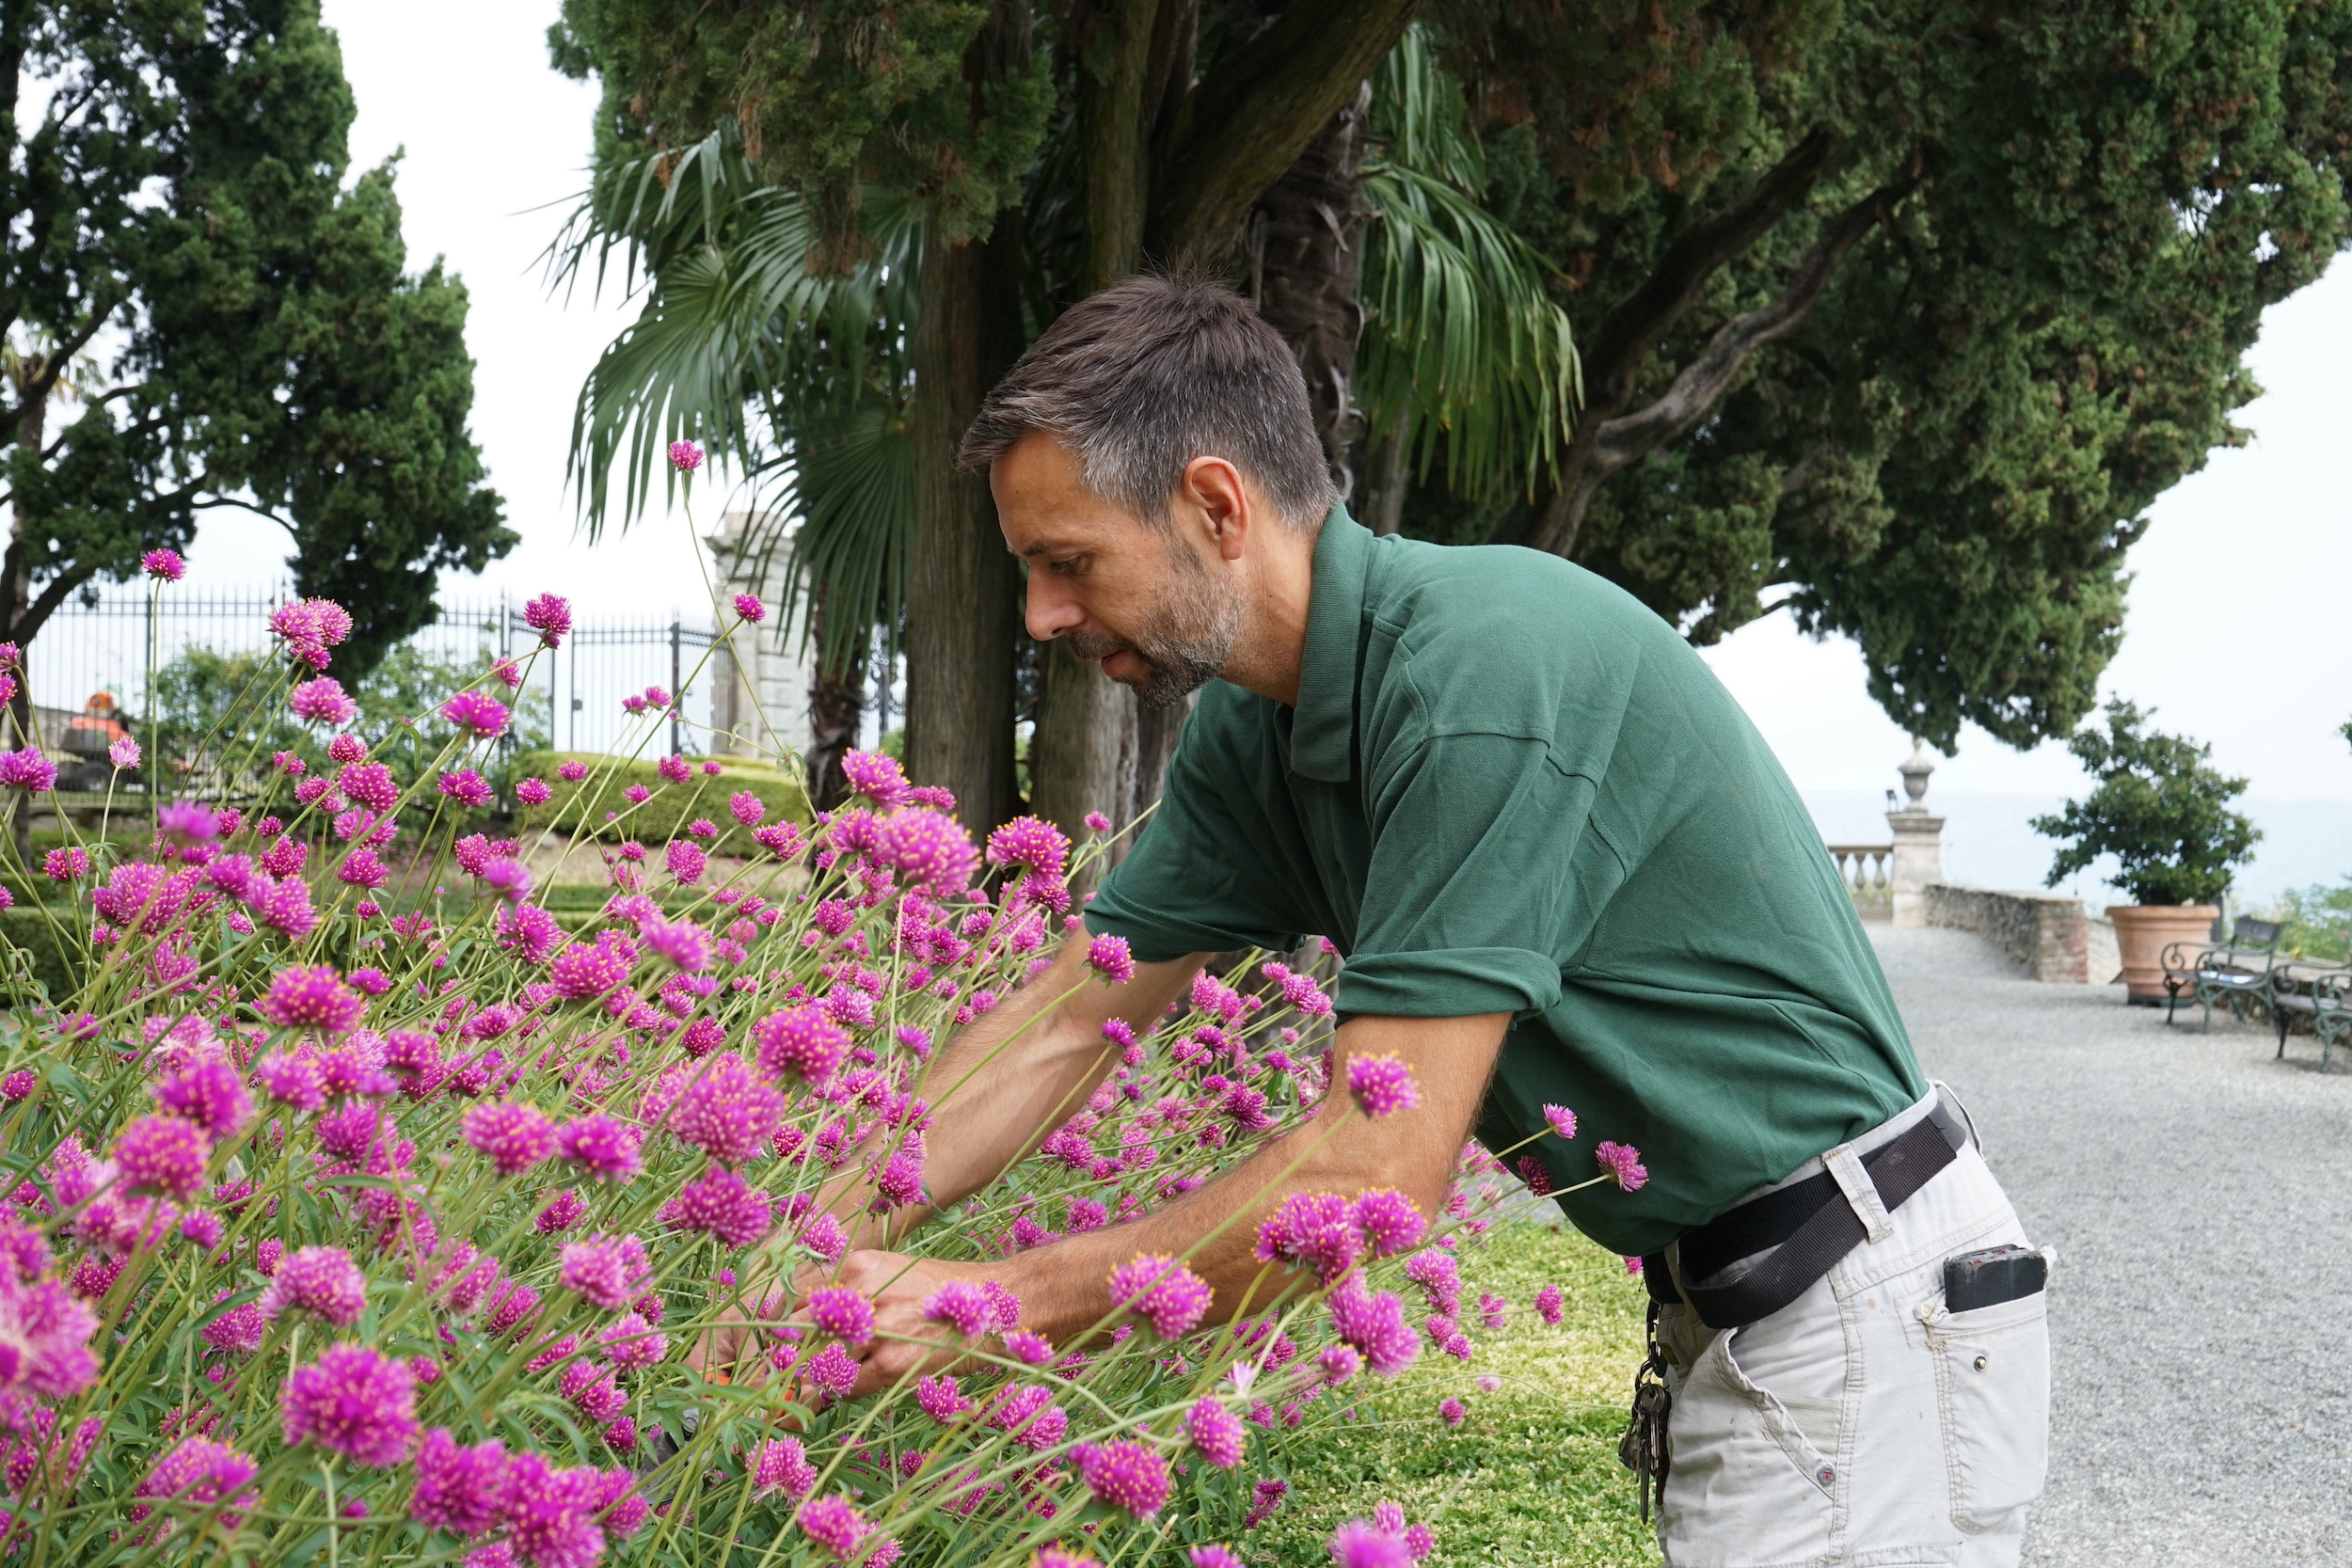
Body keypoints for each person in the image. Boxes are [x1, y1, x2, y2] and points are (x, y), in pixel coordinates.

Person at [778, 275, 2051, 1567]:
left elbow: (1370, 1173)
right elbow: (1064, 1026)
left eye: (1069, 561)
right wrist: (807, 1242)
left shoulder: (1474, 681)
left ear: (1216, 506)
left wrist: (992, 1306)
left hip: (1861, 1314)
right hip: (1767, 1312)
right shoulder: (1252, 731)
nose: (1043, 615)